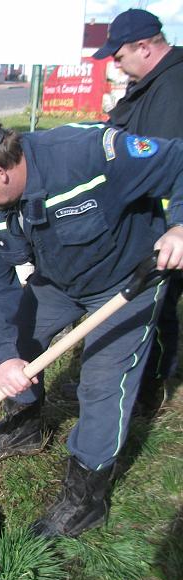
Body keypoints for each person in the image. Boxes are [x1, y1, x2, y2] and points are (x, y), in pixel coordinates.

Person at [0, 119, 183, 538]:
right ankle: (27, 428)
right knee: (20, 338)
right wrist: (3, 357)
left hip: (126, 281)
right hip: (57, 282)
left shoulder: (88, 154)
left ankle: (85, 499)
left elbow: (178, 162)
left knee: (102, 385)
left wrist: (179, 225)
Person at [91, 8, 183, 408]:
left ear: (144, 47)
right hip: (146, 216)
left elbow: (168, 162)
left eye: (119, 54)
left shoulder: (174, 89)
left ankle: (151, 386)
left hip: (168, 223)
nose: (115, 61)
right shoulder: (148, 82)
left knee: (160, 305)